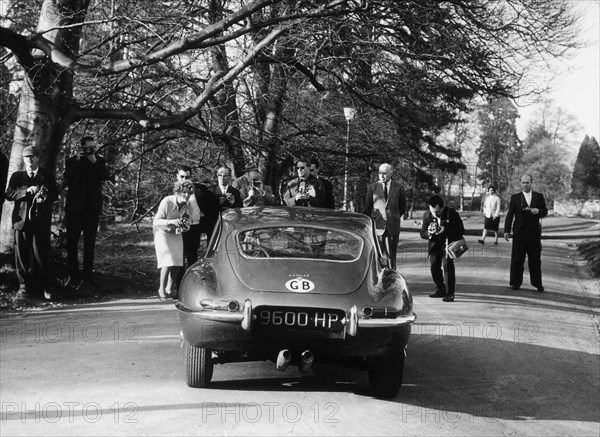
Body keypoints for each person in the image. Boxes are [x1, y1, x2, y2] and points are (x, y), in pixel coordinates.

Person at [4, 146, 58, 300]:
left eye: (32, 157)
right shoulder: (17, 176)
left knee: (42, 254)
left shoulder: (46, 174)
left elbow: (55, 194)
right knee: (21, 254)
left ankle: (46, 286)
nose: (29, 160)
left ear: (37, 158)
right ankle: (23, 287)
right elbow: (8, 194)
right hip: (21, 222)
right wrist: (25, 192)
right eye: (26, 157)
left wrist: (45, 197)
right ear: (23, 159)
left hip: (40, 222)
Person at [64, 136, 110, 285]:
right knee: (72, 242)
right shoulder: (72, 161)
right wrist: (78, 160)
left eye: (93, 147)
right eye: (88, 148)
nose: (91, 150)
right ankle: (73, 274)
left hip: (92, 209)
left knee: (89, 243)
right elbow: (67, 177)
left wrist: (94, 161)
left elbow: (105, 176)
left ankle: (88, 275)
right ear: (82, 147)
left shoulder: (99, 161)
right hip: (74, 209)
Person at [504, 174, 548, 292]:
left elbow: (545, 211)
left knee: (535, 260)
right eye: (523, 182)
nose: (525, 185)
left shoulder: (539, 196)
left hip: (534, 233)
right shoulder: (515, 197)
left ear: (532, 183)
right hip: (519, 233)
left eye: (527, 182)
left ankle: (537, 284)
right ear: (520, 183)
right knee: (517, 259)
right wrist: (507, 231)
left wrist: (537, 211)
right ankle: (515, 282)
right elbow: (510, 215)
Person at [153, 179, 194, 300]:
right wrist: (172, 222)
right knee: (167, 260)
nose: (186, 195)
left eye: (189, 193)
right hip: (162, 232)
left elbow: (188, 223)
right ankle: (161, 288)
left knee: (178, 262)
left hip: (175, 233)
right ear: (177, 192)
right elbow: (156, 221)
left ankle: (169, 287)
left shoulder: (187, 206)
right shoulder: (167, 201)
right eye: (184, 193)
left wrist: (184, 225)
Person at [420, 195, 465, 302]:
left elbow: (461, 229)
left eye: (438, 211)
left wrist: (445, 229)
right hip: (435, 244)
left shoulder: (452, 213)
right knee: (434, 266)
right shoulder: (427, 215)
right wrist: (429, 233)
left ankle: (450, 293)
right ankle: (440, 288)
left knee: (448, 267)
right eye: (433, 211)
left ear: (443, 207)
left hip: (448, 244)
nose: (435, 214)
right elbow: (422, 233)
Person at [363, 163, 406, 270]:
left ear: (391, 173)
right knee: (378, 257)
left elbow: (402, 207)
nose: (381, 176)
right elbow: (367, 208)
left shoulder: (398, 187)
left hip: (392, 226)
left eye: (384, 173)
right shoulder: (372, 187)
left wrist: (392, 217)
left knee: (392, 256)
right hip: (377, 227)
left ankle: (392, 277)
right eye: (380, 173)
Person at [175, 166, 203, 269]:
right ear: (177, 176)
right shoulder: (173, 191)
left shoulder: (198, 190)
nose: (184, 179)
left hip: (195, 227)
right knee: (179, 258)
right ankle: (179, 283)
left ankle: (193, 281)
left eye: (187, 177)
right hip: (179, 228)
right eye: (182, 176)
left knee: (192, 257)